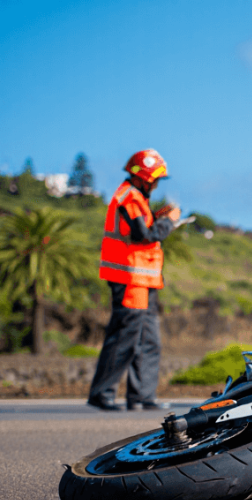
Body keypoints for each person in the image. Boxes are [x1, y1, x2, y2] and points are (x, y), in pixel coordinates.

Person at [87, 149, 180, 411]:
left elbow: (142, 228)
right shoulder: (129, 197)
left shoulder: (137, 197)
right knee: (125, 339)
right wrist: (169, 223)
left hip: (145, 281)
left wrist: (159, 218)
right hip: (130, 279)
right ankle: (102, 393)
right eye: (155, 180)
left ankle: (142, 396)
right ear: (142, 178)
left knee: (150, 341)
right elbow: (143, 235)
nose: (157, 185)